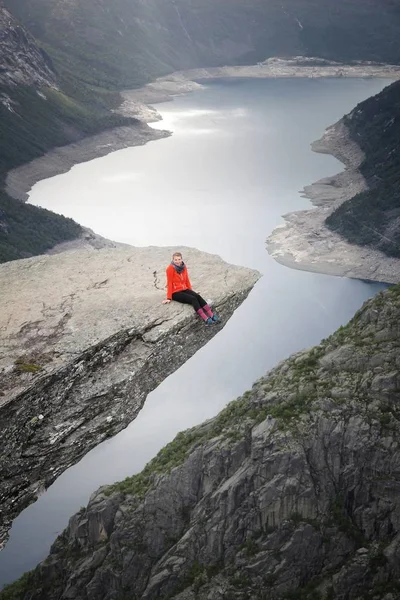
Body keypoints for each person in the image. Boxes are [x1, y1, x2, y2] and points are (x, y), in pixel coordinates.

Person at [162, 252, 220, 325]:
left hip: (184, 289)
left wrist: (191, 290)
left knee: (197, 296)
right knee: (193, 299)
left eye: (179, 259)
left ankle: (211, 315)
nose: (177, 261)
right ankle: (206, 318)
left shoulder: (183, 267)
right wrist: (169, 298)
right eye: (175, 260)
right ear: (173, 260)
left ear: (181, 259)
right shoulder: (170, 269)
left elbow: (187, 279)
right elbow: (169, 283)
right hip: (175, 292)